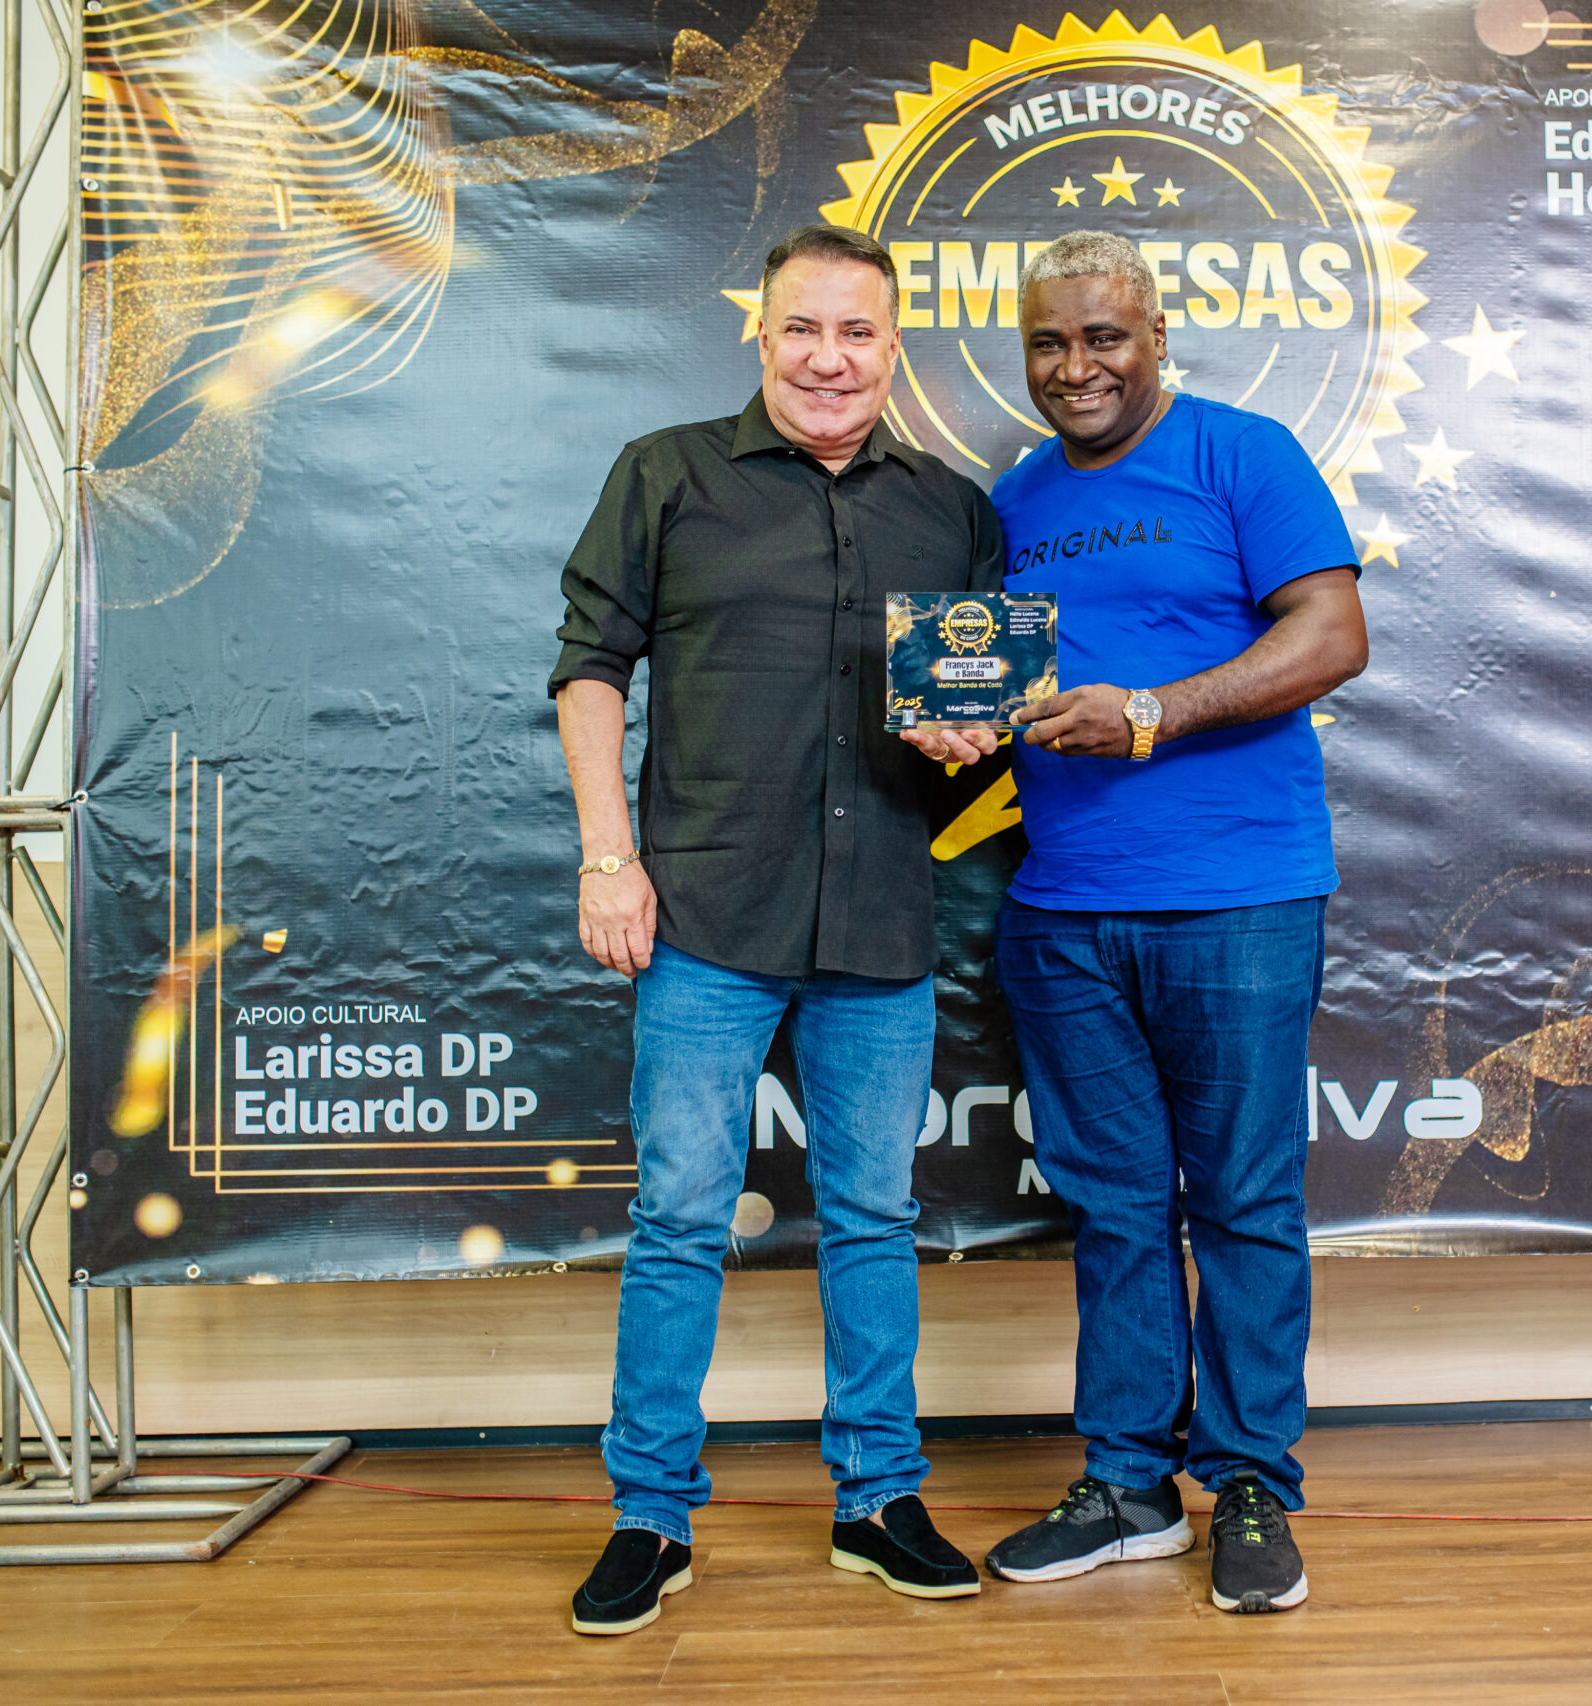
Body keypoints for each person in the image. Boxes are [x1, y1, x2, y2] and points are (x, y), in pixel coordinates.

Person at [549, 224, 1002, 1635]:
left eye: (857, 332)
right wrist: (608, 858)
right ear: (761, 333)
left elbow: (976, 727)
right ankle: (649, 1515)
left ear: (893, 348)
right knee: (680, 1220)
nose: (828, 357)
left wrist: (968, 739)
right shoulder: (666, 473)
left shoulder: (953, 509)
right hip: (704, 917)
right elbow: (588, 670)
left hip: (881, 922)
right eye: (803, 327)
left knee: (874, 1219)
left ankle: (879, 1499)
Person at [977, 231, 1368, 1614]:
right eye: (1048, 342)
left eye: (1103, 338)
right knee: (1113, 1206)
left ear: (1155, 336)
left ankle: (1251, 1482)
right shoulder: (1012, 497)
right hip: (1061, 911)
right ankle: (1129, 1483)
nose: (1074, 366)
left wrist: (1153, 711)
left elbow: (1332, 635)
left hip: (1240, 896)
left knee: (1245, 1200)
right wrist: (950, 724)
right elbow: (984, 676)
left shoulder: (1242, 454)